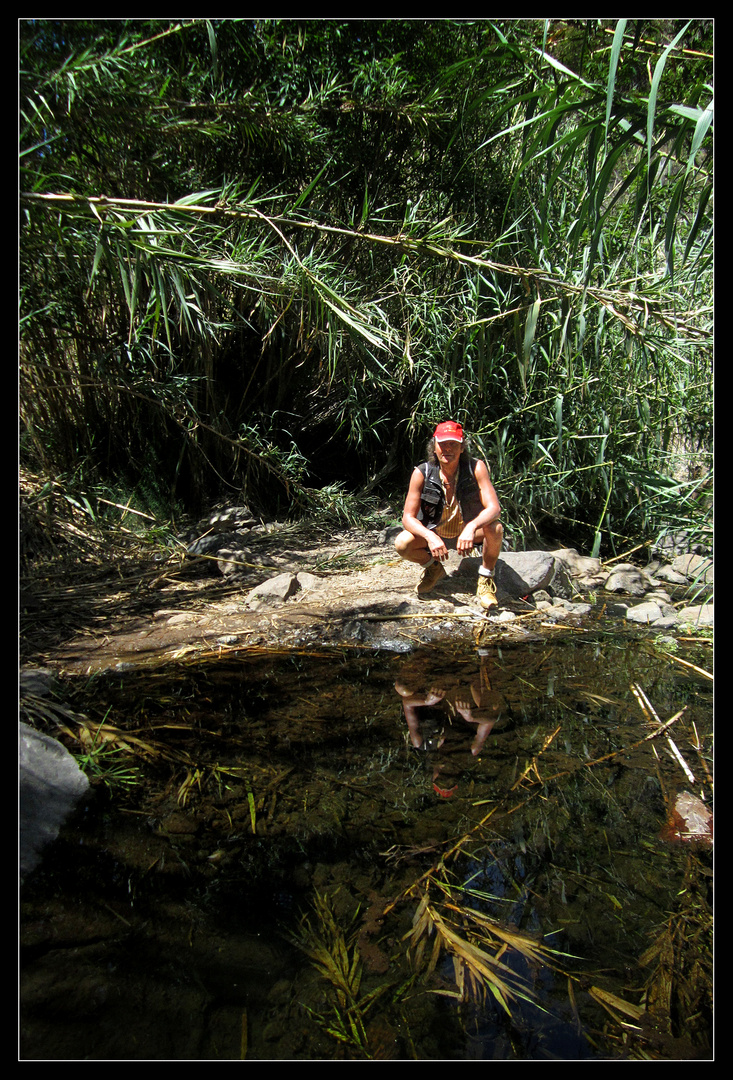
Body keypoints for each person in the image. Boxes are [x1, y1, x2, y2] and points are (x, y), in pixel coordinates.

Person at [394, 421, 503, 609]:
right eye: (443, 444)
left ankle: (486, 579)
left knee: (495, 528)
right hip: (436, 534)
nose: (447, 449)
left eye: (453, 444)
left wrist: (471, 527)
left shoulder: (475, 468)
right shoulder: (422, 472)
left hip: (468, 534)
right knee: (402, 544)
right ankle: (433, 569)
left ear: (462, 447)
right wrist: (430, 537)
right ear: (434, 447)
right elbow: (407, 518)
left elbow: (494, 508)